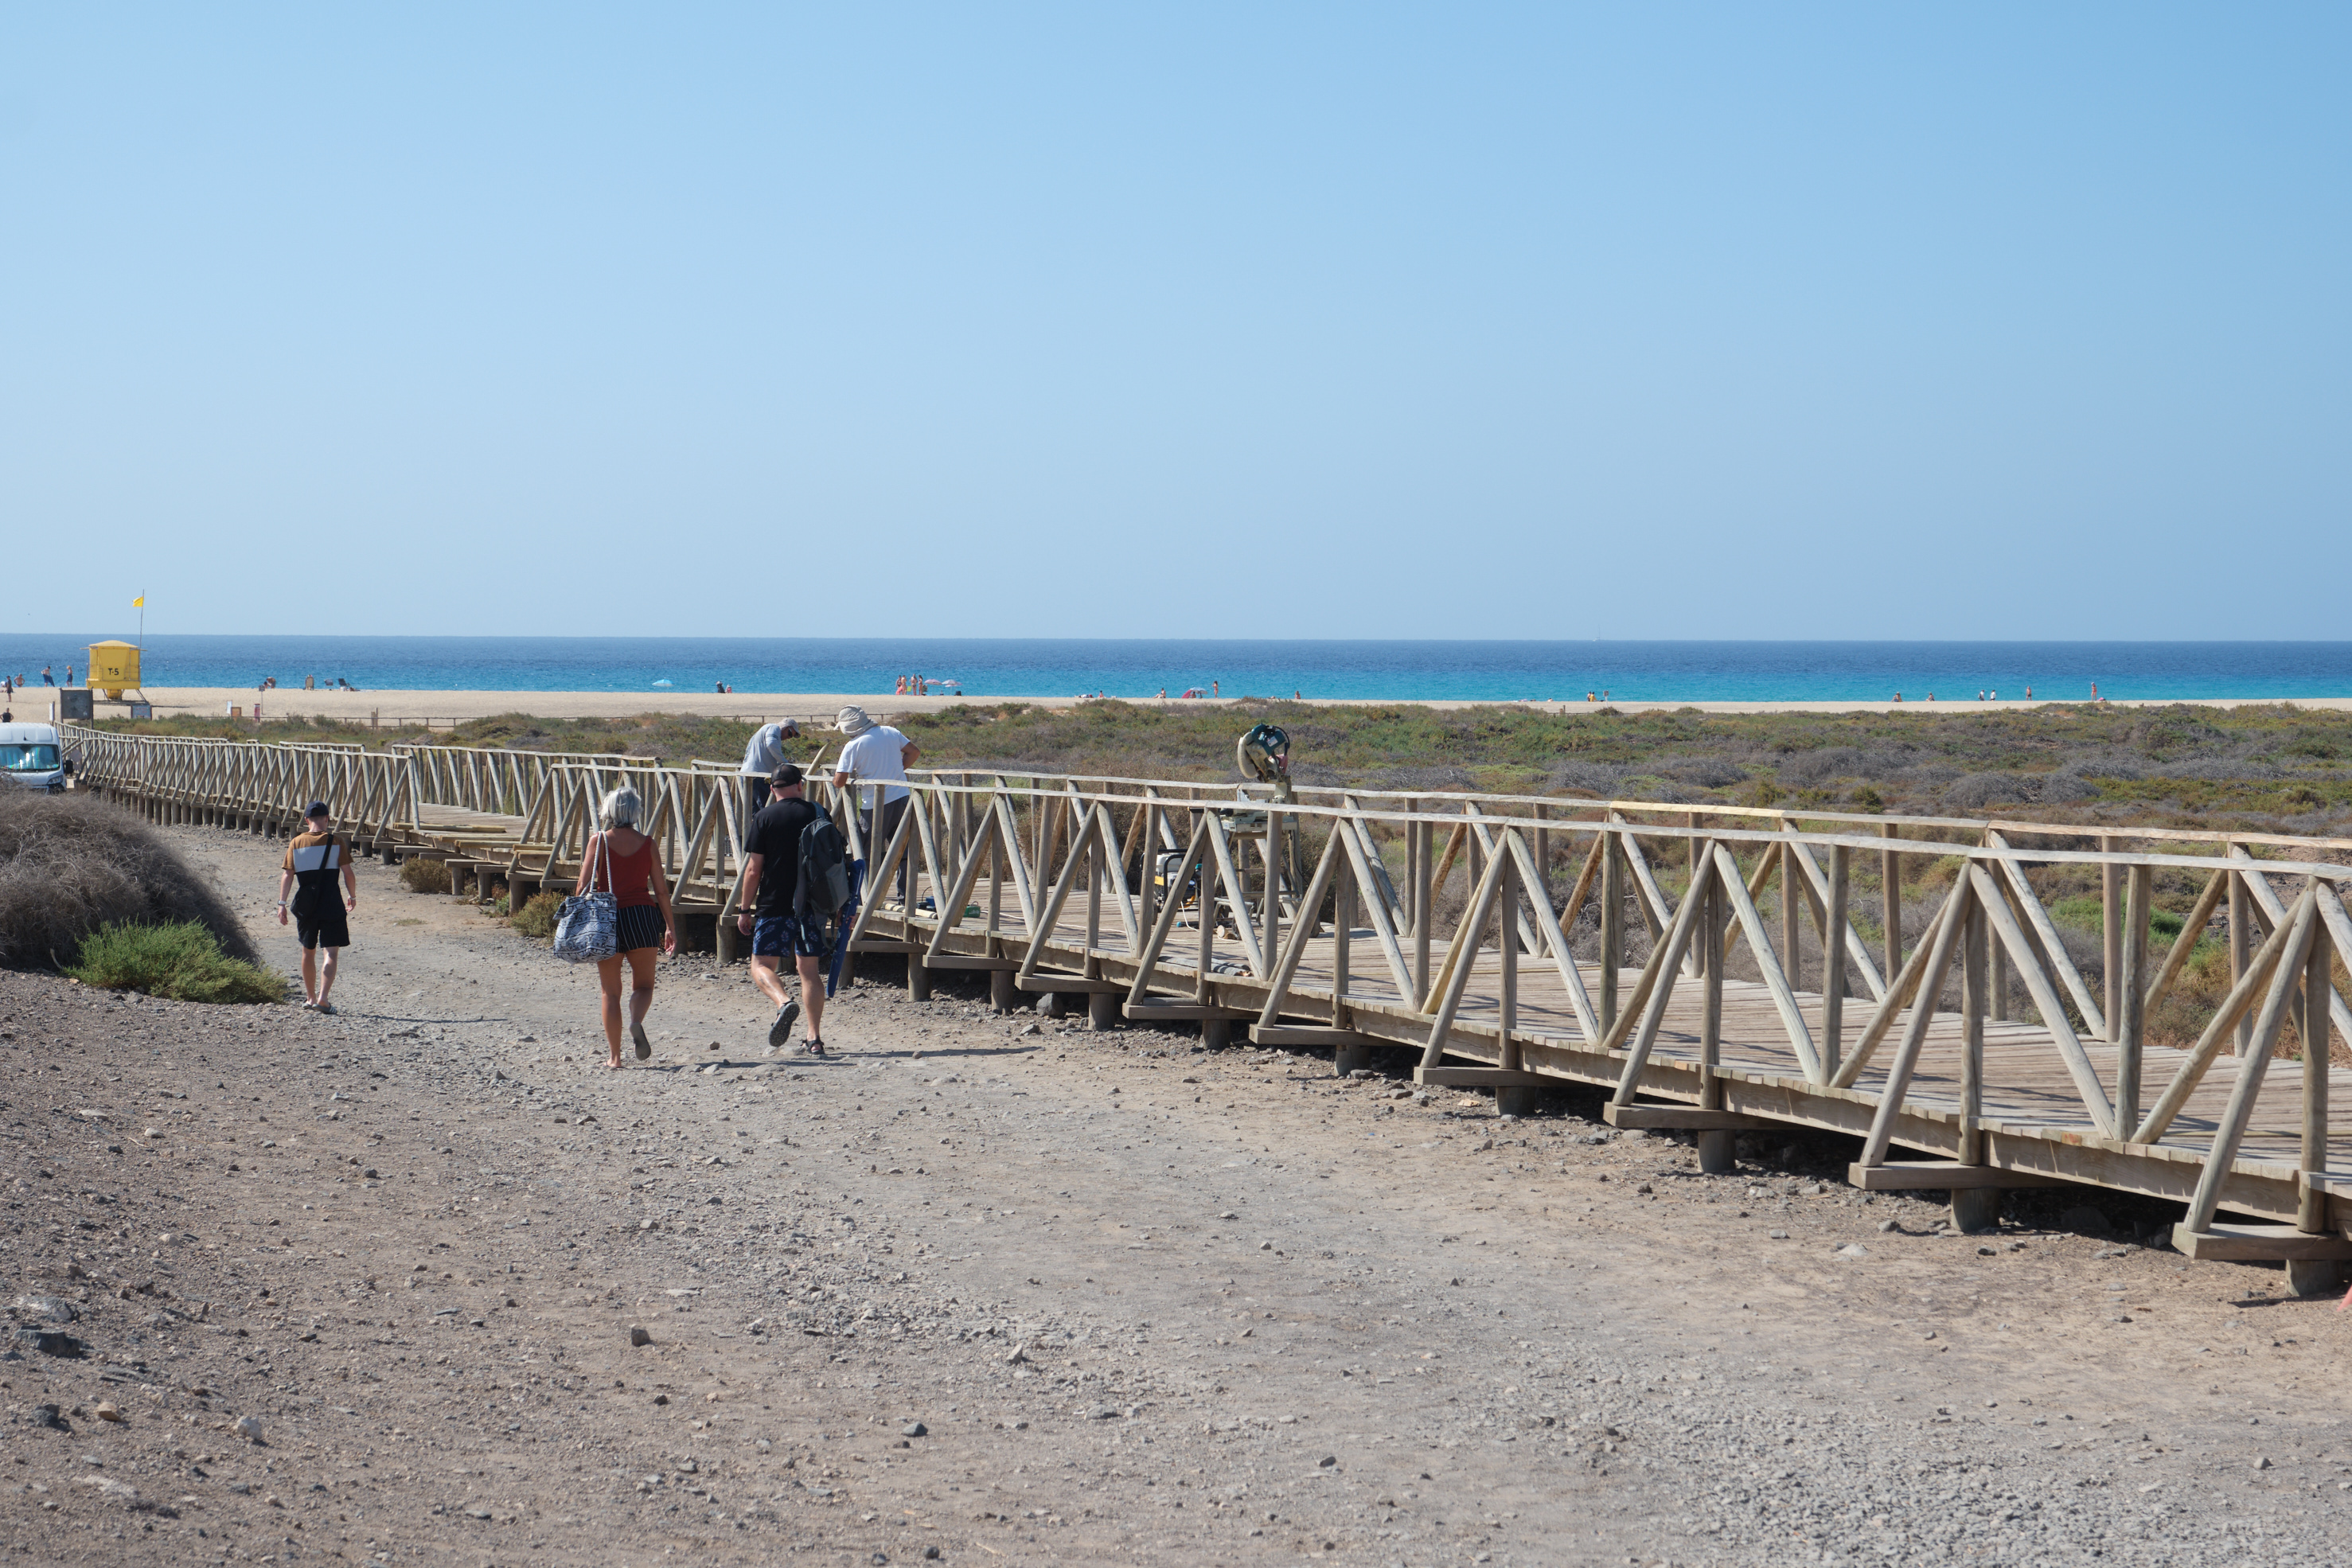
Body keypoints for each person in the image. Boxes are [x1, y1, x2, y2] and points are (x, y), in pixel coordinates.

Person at [733, 763, 830, 1055]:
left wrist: (744, 908)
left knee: (761, 964)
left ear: (773, 788)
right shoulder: (818, 812)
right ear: (800, 785)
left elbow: (753, 869)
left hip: (775, 903)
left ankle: (783, 1002)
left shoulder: (764, 817)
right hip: (812, 904)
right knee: (809, 970)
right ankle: (814, 1038)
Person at [579, 786, 677, 1068]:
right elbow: (660, 891)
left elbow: (582, 885)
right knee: (644, 985)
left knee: (610, 992)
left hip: (607, 919)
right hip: (642, 917)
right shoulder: (648, 844)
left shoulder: (597, 841)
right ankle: (636, 1021)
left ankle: (615, 1058)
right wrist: (670, 926)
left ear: (608, 811)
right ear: (635, 812)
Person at [277, 802, 358, 1013]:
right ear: (327, 819)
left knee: (308, 951)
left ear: (306, 821)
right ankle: (323, 999)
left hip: (307, 906)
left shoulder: (296, 843)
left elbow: (288, 875)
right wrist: (352, 895)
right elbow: (348, 873)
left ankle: (310, 997)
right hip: (332, 903)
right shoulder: (337, 842)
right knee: (330, 952)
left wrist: (282, 904)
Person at [834, 705, 919, 904]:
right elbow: (914, 752)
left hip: (874, 804)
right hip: (902, 796)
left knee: (865, 851)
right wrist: (896, 770)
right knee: (902, 850)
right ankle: (906, 899)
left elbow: (839, 780)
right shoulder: (890, 732)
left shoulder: (854, 745)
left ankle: (867, 896)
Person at [738, 720, 802, 819]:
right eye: (790, 733)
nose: (788, 738)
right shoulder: (774, 728)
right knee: (768, 812)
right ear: (785, 727)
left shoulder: (763, 732)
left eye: (791, 737)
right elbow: (771, 744)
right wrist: (784, 762)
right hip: (758, 775)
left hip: (748, 774)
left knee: (755, 815)